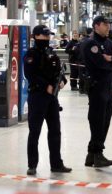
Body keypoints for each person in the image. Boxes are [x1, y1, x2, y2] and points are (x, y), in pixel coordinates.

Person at [24, 25, 71, 176]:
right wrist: (46, 87)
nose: (47, 38)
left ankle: (56, 164)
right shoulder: (31, 54)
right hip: (38, 96)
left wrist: (63, 81)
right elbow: (30, 75)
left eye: (48, 35)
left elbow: (59, 71)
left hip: (52, 99)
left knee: (55, 131)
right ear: (36, 36)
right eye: (44, 36)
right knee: (35, 132)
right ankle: (32, 165)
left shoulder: (51, 53)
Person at [81, 16, 112, 167]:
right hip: (97, 87)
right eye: (105, 24)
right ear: (96, 26)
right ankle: (98, 154)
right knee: (97, 120)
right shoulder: (90, 43)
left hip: (108, 86)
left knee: (106, 120)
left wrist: (111, 59)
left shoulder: (109, 43)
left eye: (109, 24)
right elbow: (100, 65)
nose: (108, 27)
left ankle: (92, 154)